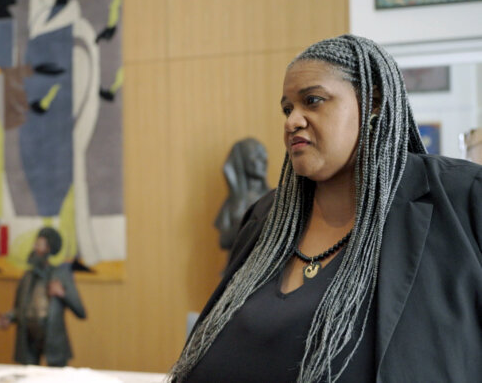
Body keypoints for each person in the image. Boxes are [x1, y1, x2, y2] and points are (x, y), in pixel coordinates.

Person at [169, 34, 482, 382]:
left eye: (313, 101)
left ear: (373, 102)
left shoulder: (462, 200)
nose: (292, 121)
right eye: (288, 109)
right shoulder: (265, 219)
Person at [0, 227, 86, 366]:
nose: (35, 248)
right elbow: (20, 308)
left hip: (53, 340)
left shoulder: (61, 275)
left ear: (49, 249)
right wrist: (9, 317)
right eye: (35, 244)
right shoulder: (27, 277)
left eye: (39, 244)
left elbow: (81, 312)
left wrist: (62, 294)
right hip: (29, 339)